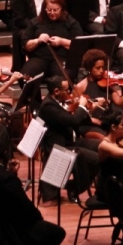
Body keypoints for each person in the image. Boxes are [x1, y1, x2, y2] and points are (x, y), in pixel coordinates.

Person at [36, 77, 101, 205]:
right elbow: (73, 121)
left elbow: (76, 120)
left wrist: (89, 109)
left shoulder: (59, 101)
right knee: (96, 159)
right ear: (56, 91)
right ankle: (75, 188)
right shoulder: (48, 106)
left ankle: (75, 186)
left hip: (71, 141)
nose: (70, 93)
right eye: (67, 90)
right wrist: (81, 106)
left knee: (102, 147)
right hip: (60, 146)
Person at [20, 0, 82, 84]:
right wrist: (38, 40)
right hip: (39, 59)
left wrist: (61, 41)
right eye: (49, 10)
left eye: (55, 10)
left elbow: (79, 46)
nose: (52, 13)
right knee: (24, 77)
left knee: (63, 81)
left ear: (61, 8)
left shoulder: (71, 23)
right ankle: (35, 98)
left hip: (62, 59)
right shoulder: (35, 22)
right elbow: (26, 46)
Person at [8, 0, 51, 70]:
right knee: (20, 34)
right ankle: (20, 69)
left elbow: (58, 7)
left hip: (49, 22)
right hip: (28, 25)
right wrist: (37, 27)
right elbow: (20, 18)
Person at [74, 48, 123, 113]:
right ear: (89, 68)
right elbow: (78, 112)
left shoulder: (106, 81)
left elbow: (119, 102)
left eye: (103, 67)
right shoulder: (80, 86)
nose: (101, 71)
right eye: (98, 68)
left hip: (108, 119)